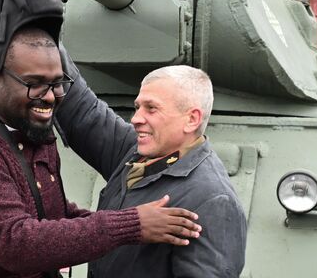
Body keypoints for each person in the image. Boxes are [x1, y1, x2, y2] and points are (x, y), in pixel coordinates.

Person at [0, 0, 201, 278]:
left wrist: (141, 226)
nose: (49, 97)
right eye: (34, 84)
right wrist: (131, 225)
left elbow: (52, 214)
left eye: (56, 83)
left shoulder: (31, 133)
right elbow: (18, 244)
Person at [56, 59, 247, 277]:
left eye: (151, 108)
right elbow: (82, 112)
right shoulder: (137, 153)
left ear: (192, 119)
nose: (136, 118)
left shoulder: (212, 199)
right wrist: (47, 38)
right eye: (138, 107)